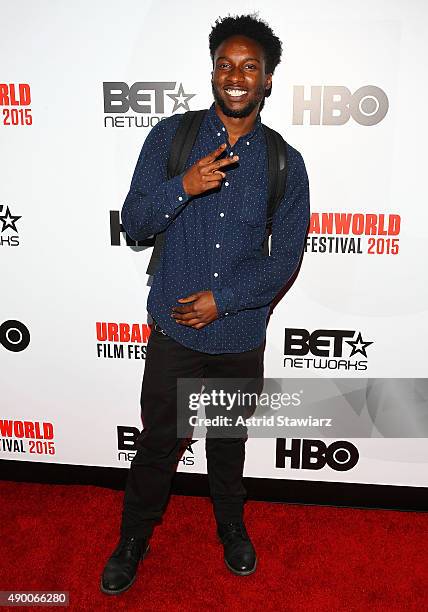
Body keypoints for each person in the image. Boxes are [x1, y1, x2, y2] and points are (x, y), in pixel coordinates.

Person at [101, 13, 310, 595]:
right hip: (174, 331)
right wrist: (183, 187)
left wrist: (225, 301)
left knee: (226, 442)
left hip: (238, 335)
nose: (236, 76)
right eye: (226, 65)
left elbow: (285, 258)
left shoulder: (285, 163)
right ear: (213, 72)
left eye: (250, 67)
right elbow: (137, 222)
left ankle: (230, 527)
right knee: (158, 443)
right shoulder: (172, 138)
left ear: (267, 80)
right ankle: (132, 539)